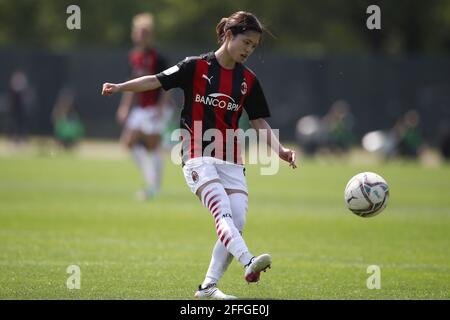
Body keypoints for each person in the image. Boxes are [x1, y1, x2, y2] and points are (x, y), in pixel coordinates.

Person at [102, 11, 297, 299]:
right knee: (222, 212)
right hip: (196, 153)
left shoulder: (249, 80)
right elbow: (155, 80)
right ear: (229, 35)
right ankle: (248, 262)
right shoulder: (195, 66)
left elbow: (258, 121)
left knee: (237, 220)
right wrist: (120, 88)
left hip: (231, 159)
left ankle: (207, 287)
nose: (249, 50)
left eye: (254, 47)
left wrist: (280, 151)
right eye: (246, 42)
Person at [117, 13, 173, 200]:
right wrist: (125, 107)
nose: (143, 35)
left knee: (152, 144)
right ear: (134, 34)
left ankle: (154, 187)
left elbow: (168, 84)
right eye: (140, 32)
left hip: (157, 107)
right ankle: (151, 181)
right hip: (141, 107)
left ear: (151, 35)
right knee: (129, 142)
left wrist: (160, 106)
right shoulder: (133, 57)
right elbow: (130, 84)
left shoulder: (159, 58)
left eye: (146, 32)